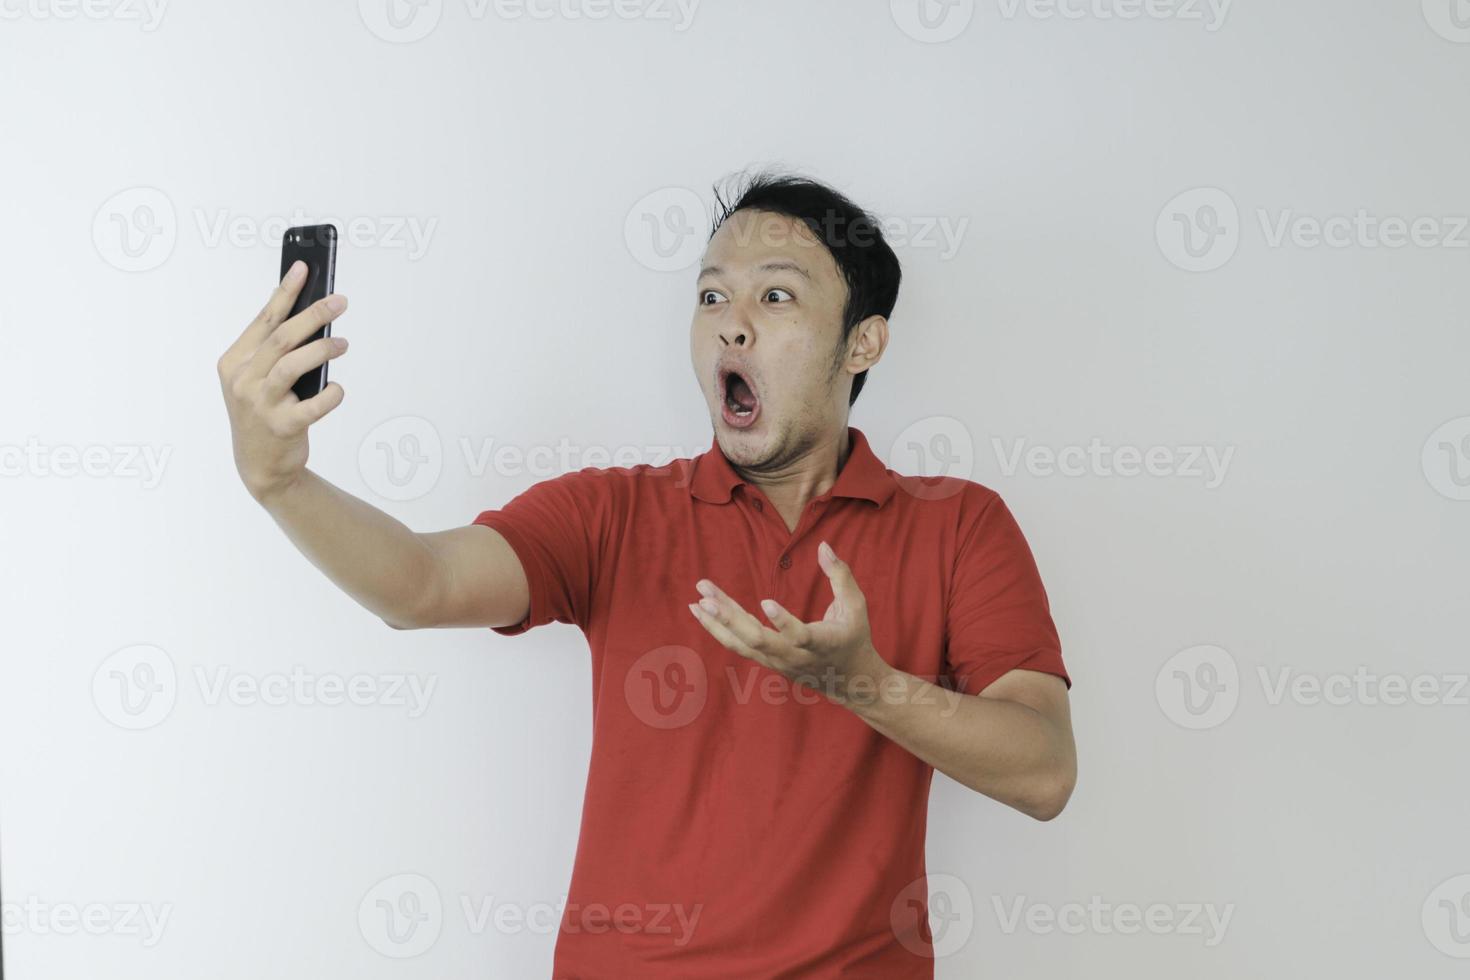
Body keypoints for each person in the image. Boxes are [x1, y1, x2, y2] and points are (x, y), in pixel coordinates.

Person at [217, 172, 1077, 978]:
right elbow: (421, 585)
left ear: (863, 342)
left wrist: (865, 686)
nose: (730, 325)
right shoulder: (612, 516)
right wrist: (280, 480)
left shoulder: (958, 524)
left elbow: (1044, 772)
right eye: (711, 297)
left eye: (775, 296)